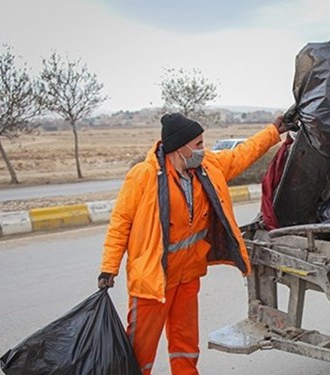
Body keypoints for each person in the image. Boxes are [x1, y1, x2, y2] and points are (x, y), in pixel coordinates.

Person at [97, 112, 289, 374]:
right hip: (153, 282)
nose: (203, 149)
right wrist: (109, 267)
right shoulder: (143, 176)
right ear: (180, 147)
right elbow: (121, 222)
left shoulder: (206, 168)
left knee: (185, 346)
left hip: (188, 276)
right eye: (198, 144)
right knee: (140, 352)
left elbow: (240, 155)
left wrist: (273, 132)